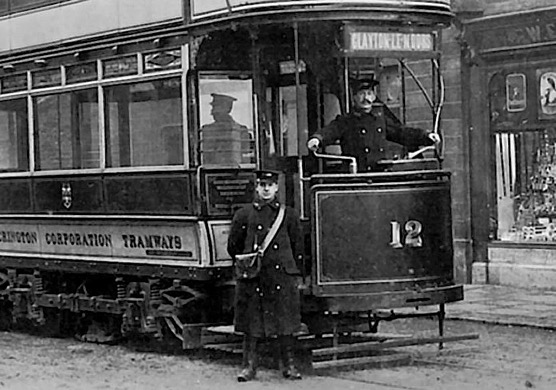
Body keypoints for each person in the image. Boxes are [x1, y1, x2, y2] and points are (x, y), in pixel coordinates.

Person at [227, 169, 304, 382]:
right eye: (262, 185)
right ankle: (248, 367)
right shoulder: (244, 215)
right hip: (255, 277)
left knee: (285, 324)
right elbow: (234, 246)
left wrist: (291, 270)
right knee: (252, 325)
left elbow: (298, 246)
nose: (266, 189)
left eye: (270, 185)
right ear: (257, 187)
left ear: (277, 188)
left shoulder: (288, 214)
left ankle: (288, 366)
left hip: (281, 276)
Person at [307, 77, 441, 172]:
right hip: (356, 178)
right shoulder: (346, 120)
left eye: (369, 94)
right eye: (362, 94)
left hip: (380, 175)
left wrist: (426, 136)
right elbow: (331, 131)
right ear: (354, 97)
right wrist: (317, 139)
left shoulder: (380, 119)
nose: (366, 98)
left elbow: (401, 132)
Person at [200, 93, 252, 164]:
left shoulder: (240, 131)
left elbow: (245, 158)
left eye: (216, 108)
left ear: (227, 109)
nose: (212, 112)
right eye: (213, 108)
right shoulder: (207, 130)